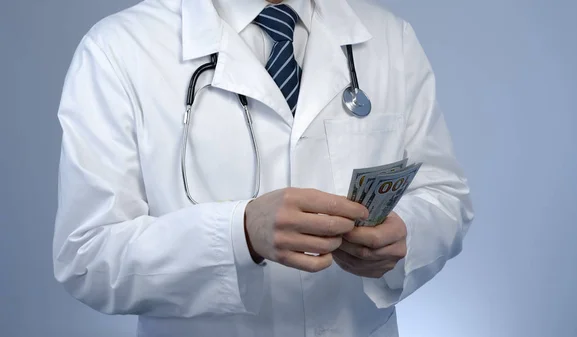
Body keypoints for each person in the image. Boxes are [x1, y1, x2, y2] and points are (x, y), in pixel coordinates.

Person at [52, 0, 474, 336]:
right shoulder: (118, 50)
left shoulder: (389, 39)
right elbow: (87, 256)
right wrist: (239, 235)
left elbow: (445, 195)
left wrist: (405, 236)